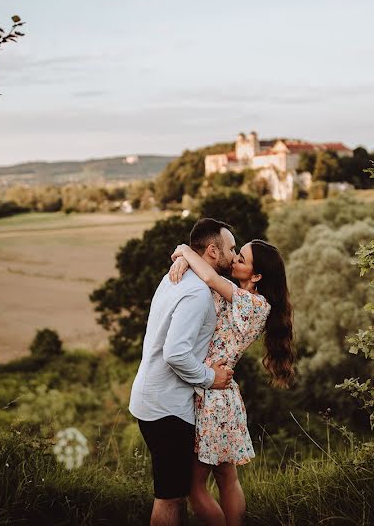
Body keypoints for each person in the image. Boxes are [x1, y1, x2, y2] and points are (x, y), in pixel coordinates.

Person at [168, 237, 295, 526]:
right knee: (227, 477)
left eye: (241, 259)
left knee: (194, 486)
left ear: (257, 276)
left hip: (212, 395)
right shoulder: (240, 296)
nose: (234, 259)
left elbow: (210, 276)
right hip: (223, 395)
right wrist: (185, 259)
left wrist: (185, 250)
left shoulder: (253, 304)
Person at [129, 218, 239, 526]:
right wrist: (211, 379)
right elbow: (175, 353)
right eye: (231, 248)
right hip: (167, 410)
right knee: (169, 497)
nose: (234, 254)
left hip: (155, 400)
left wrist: (182, 254)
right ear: (213, 251)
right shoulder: (196, 294)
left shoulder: (176, 277)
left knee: (174, 492)